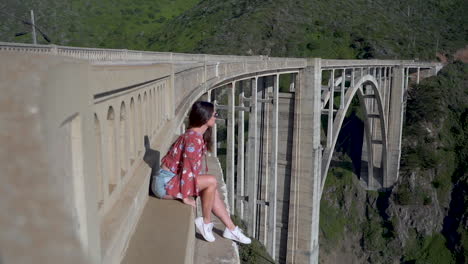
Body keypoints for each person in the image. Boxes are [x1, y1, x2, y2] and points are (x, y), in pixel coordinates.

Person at [152, 101, 251, 244]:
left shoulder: (195, 135)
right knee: (211, 181)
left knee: (212, 189)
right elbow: (187, 170)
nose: (216, 117)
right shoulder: (193, 139)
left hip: (170, 179)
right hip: (164, 184)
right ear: (205, 118)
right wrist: (186, 196)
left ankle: (231, 229)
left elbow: (192, 169)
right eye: (214, 114)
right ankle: (205, 223)